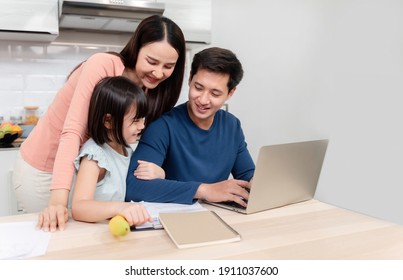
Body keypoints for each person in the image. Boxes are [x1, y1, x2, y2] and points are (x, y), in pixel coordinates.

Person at [12, 15, 186, 232]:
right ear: (137, 47)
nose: (159, 73)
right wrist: (57, 202)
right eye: (151, 62)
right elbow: (72, 132)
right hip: (45, 172)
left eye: (168, 66)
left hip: (84, 175)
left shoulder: (148, 89)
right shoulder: (103, 65)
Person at [125, 47, 255, 206]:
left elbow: (247, 175)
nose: (203, 100)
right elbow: (132, 186)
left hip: (218, 216)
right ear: (190, 79)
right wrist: (204, 190)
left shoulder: (232, 125)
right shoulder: (162, 127)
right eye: (198, 88)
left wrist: (259, 183)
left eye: (215, 93)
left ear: (230, 93)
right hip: (176, 220)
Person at [70, 76, 157, 225]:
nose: (142, 126)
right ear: (108, 121)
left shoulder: (126, 149)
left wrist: (159, 173)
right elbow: (79, 207)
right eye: (135, 120)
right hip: (88, 232)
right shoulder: (95, 156)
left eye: (143, 119)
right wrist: (120, 207)